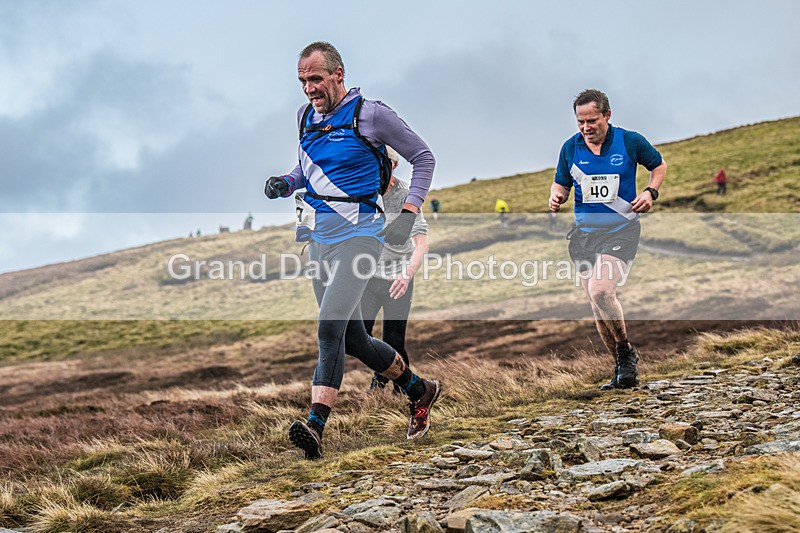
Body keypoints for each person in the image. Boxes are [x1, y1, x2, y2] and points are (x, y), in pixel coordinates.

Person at [264, 42, 441, 460]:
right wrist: (285, 184)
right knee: (354, 339)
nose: (309, 88)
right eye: (302, 81)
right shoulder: (305, 118)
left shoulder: (370, 114)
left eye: (316, 79)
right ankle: (420, 390)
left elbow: (424, 157)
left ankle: (315, 427)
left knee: (328, 331)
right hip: (321, 241)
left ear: (338, 74)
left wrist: (409, 210)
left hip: (361, 238)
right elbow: (307, 171)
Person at [549, 89, 667, 390]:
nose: (586, 128)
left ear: (607, 116)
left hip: (621, 231)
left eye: (592, 120)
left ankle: (626, 352)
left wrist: (649, 192)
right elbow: (560, 184)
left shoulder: (630, 141)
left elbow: (659, 166)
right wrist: (557, 196)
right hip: (583, 236)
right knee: (595, 302)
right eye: (580, 122)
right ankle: (619, 366)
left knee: (602, 291)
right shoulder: (570, 148)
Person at [361, 147, 430, 394]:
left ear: (393, 165)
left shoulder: (405, 195)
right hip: (368, 277)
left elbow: (421, 245)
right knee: (360, 334)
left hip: (398, 278)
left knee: (394, 340)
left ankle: (409, 392)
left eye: (382, 162)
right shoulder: (364, 192)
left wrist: (406, 274)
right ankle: (381, 377)